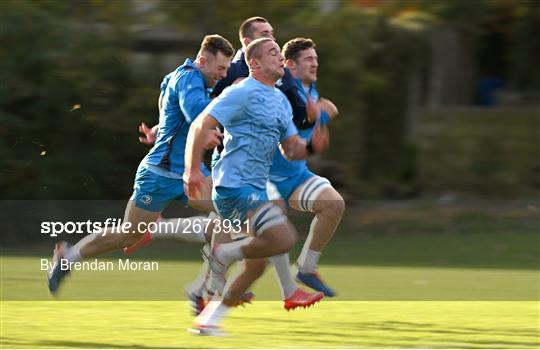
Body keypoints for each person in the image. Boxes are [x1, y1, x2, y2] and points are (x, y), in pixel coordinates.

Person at [47, 35, 235, 295]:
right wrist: (224, 112)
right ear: (202, 60)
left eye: (226, 70)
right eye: (220, 69)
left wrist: (162, 129)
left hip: (189, 172)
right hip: (159, 173)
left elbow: (168, 106)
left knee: (231, 213)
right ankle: (68, 258)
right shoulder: (190, 78)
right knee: (129, 235)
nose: (223, 75)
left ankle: (210, 288)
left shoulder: (179, 76)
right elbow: (194, 111)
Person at [184, 38, 328, 336]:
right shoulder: (242, 91)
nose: (279, 57)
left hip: (255, 189)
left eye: (279, 52)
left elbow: (291, 149)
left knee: (255, 267)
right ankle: (223, 254)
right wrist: (191, 171)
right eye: (272, 53)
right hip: (234, 187)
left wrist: (312, 146)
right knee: (283, 237)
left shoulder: (279, 100)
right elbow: (200, 125)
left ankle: (208, 320)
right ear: (255, 63)